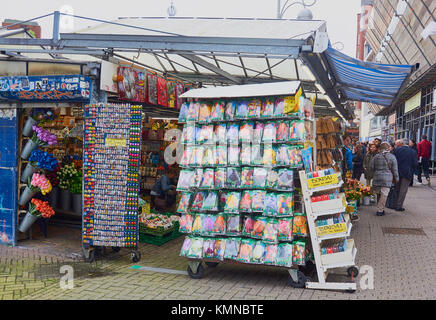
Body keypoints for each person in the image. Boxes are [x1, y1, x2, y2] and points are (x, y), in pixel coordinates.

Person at [370, 142, 399, 216]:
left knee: (379, 193)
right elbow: (395, 170)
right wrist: (397, 178)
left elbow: (371, 167)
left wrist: (376, 172)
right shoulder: (392, 157)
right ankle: (380, 210)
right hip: (387, 178)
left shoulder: (376, 156)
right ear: (388, 148)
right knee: (384, 194)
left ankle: (380, 207)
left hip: (377, 177)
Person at [392, 138, 418, 212]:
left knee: (397, 188)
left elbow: (393, 161)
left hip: (397, 172)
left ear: (402, 143)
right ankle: (399, 206)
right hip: (407, 172)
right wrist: (412, 170)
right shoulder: (413, 152)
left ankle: (394, 204)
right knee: (403, 190)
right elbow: (415, 164)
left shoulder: (397, 150)